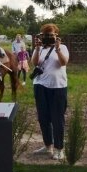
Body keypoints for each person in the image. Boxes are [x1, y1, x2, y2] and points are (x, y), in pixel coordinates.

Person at [30, 23, 69, 160]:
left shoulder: (63, 47)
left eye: (51, 35)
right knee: (43, 118)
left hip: (58, 87)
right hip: (40, 86)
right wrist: (37, 48)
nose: (49, 37)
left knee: (58, 119)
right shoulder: (39, 48)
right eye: (46, 35)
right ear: (42, 36)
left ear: (56, 36)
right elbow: (35, 63)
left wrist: (57, 49)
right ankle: (48, 146)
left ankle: (59, 148)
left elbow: (63, 63)